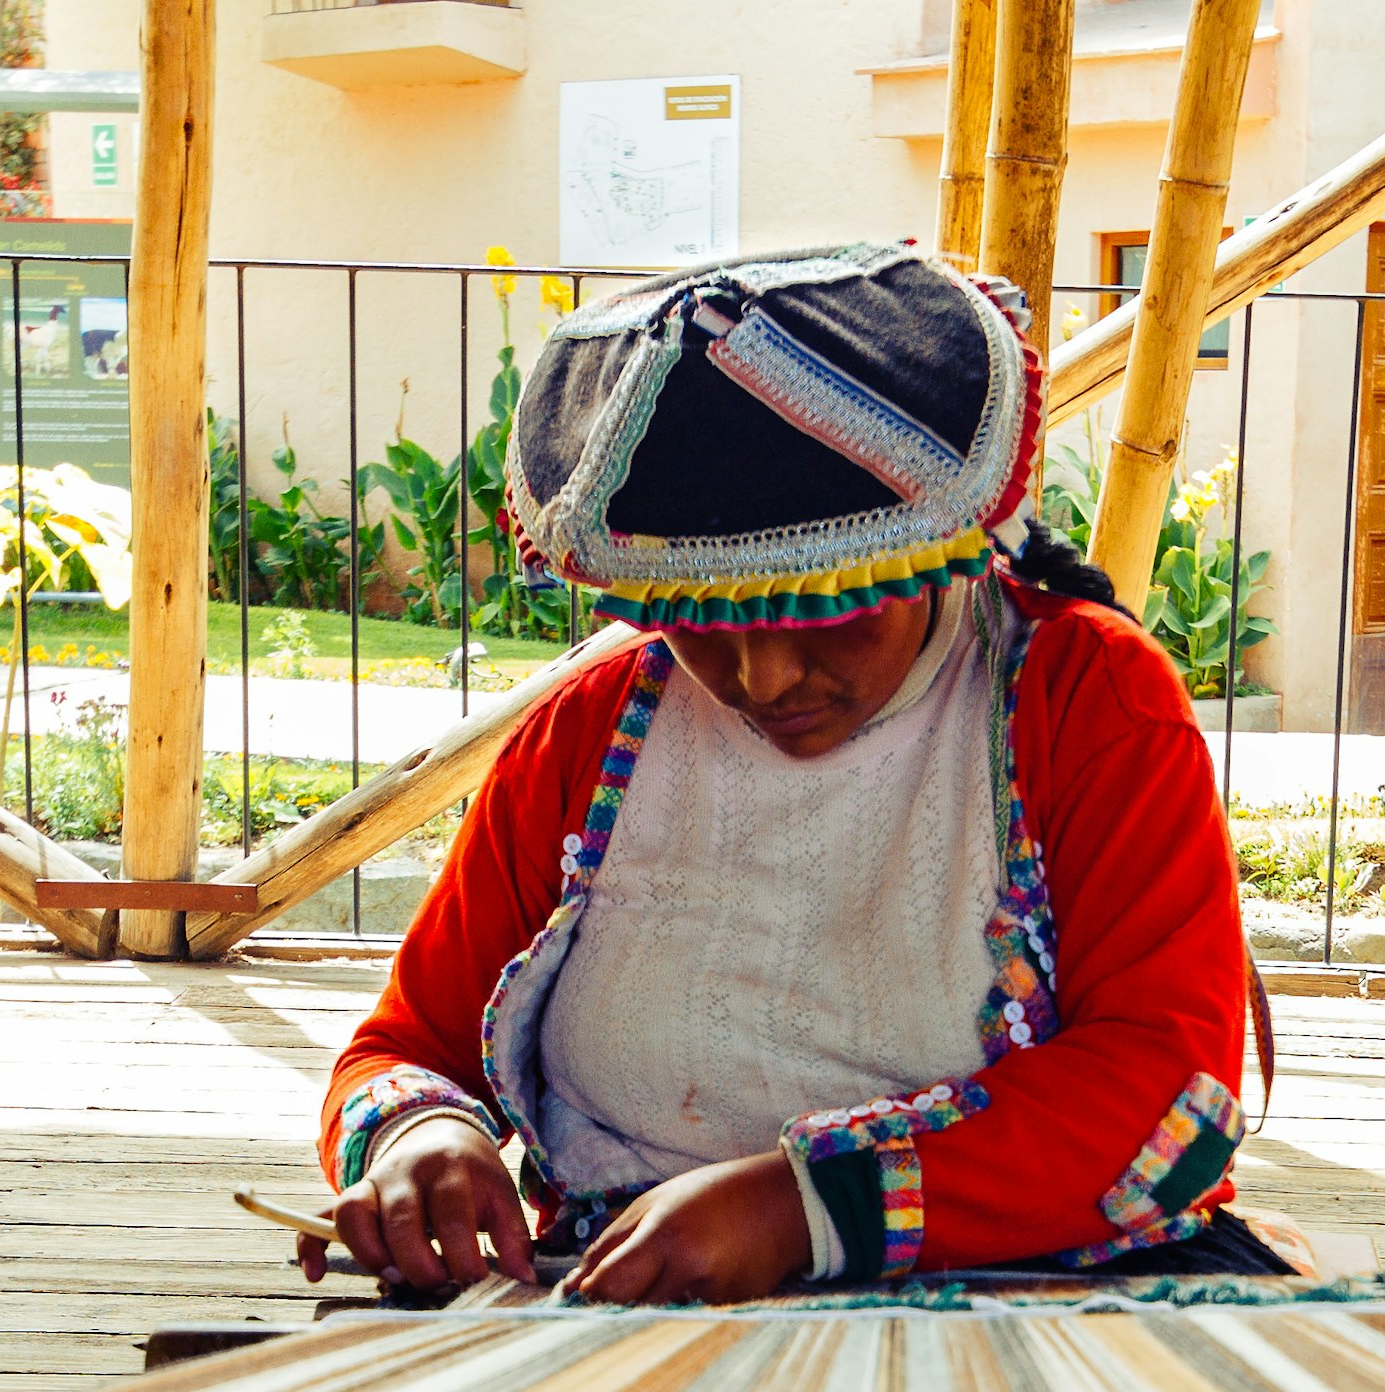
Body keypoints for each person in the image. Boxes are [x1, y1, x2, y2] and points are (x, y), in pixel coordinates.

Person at [302, 242, 1273, 1306]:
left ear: (930, 556)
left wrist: (798, 1208)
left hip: (1022, 1298)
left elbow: (1166, 1096)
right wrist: (421, 1139)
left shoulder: (1085, 701)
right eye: (697, 623)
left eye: (821, 611)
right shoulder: (590, 733)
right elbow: (405, 1045)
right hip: (610, 1300)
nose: (761, 676)